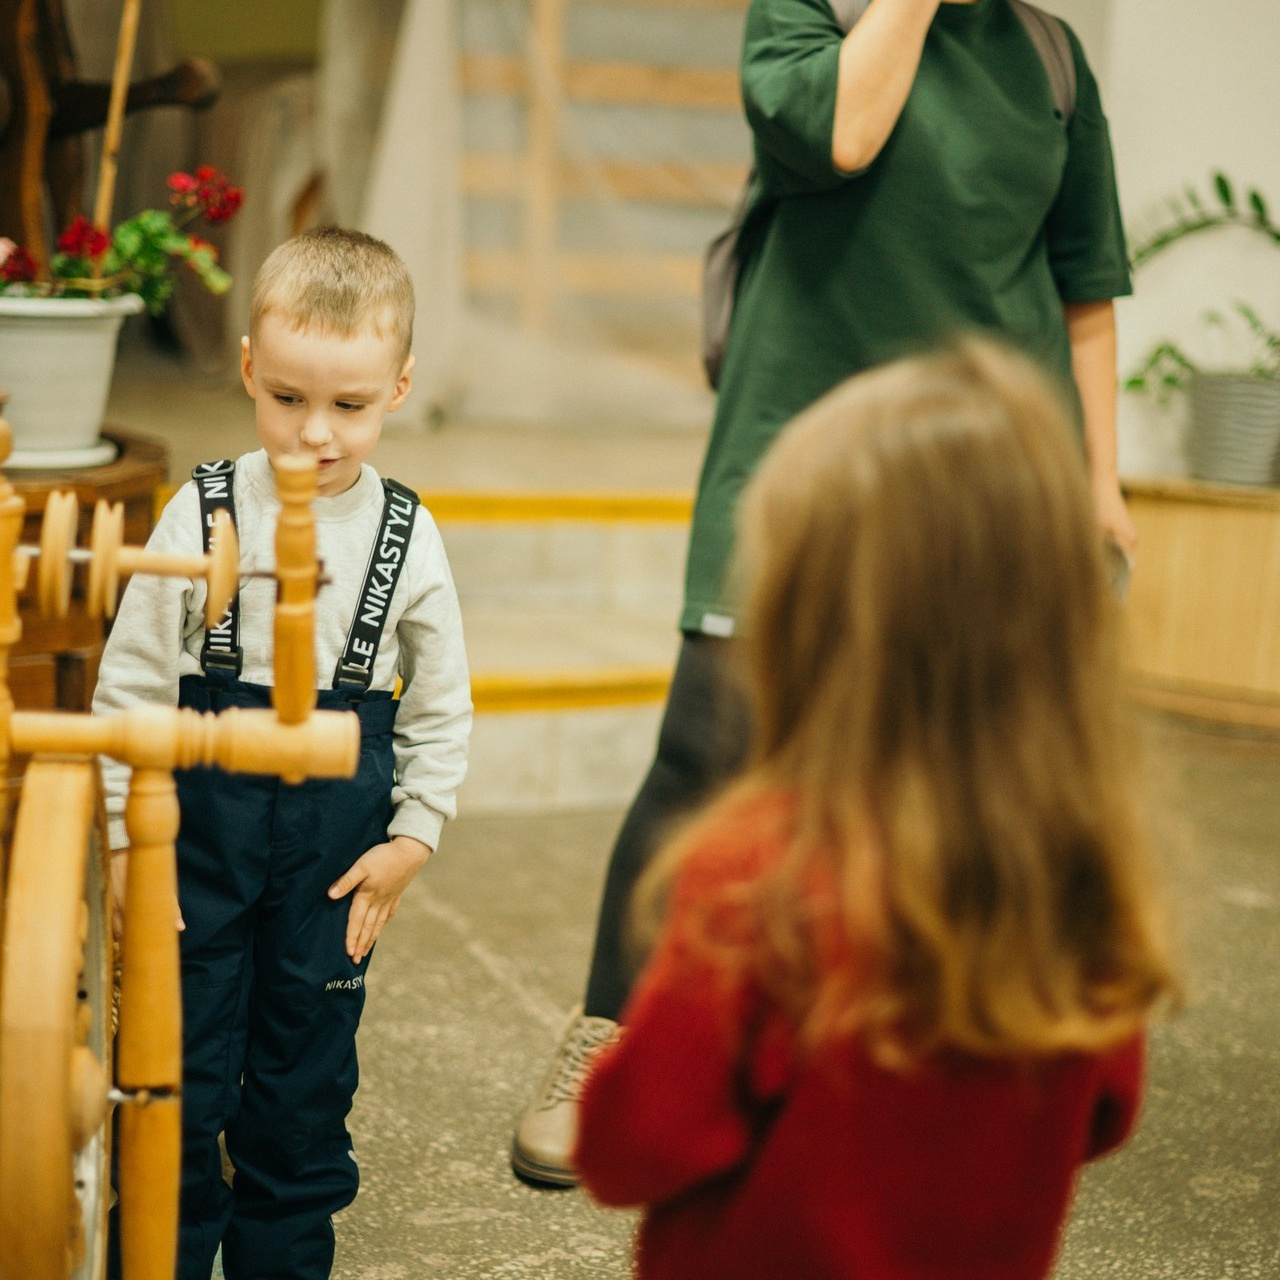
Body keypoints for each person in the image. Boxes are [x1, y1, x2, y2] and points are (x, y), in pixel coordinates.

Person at [512, 0, 1136, 1185]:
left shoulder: (1052, 59)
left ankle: (911, 1059)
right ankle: (605, 1033)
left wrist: (1098, 480)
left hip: (979, 474)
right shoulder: (807, 12)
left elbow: (1083, 288)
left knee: (967, 775)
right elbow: (843, 136)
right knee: (708, 748)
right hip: (792, 449)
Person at [573, 340, 1177, 1280]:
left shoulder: (759, 871)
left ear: (810, 623)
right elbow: (1107, 1113)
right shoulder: (1082, 874)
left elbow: (630, 1147)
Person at [94, 226, 471, 1280]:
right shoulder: (200, 510)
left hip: (332, 849)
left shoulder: (408, 535)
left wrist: (414, 834)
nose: (314, 434)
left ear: (397, 387)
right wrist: (131, 840)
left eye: (348, 406)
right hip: (198, 833)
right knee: (176, 1061)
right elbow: (129, 683)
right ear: (250, 369)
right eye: (289, 398)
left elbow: (441, 701)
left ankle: (282, 1256)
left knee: (305, 1076)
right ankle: (158, 1251)